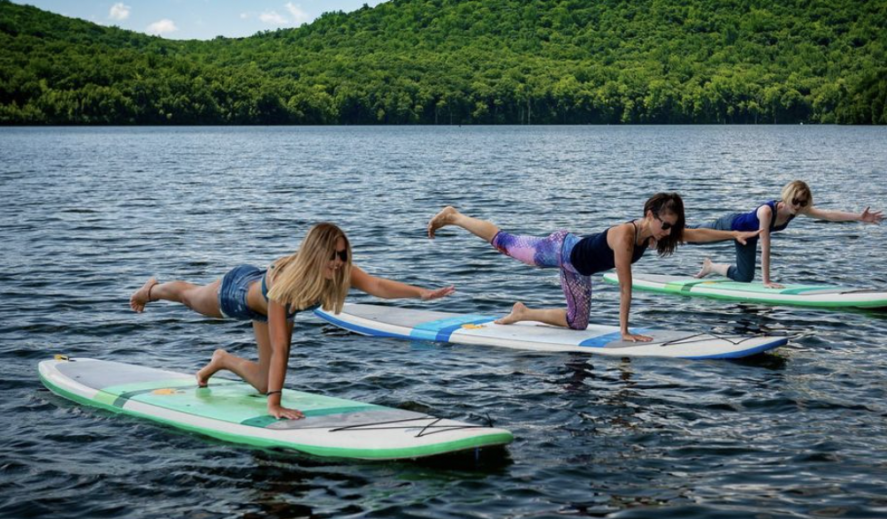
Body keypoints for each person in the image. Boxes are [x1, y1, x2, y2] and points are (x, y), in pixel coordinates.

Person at [129, 222, 454, 420]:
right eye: (334, 255)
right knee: (190, 298)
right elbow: (282, 345)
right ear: (316, 254)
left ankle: (221, 360)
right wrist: (275, 405)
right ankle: (151, 290)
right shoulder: (287, 287)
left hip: (268, 306)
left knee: (261, 382)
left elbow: (379, 286)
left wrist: (421, 294)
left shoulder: (338, 271)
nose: (340, 263)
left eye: (343, 255)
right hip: (237, 294)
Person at [427, 193, 757, 343]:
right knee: (506, 243)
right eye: (665, 225)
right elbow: (625, 287)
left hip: (578, 270)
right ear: (650, 215)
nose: (669, 232)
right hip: (560, 250)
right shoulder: (626, 236)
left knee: (577, 324)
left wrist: (733, 233)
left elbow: (696, 234)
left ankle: (522, 312)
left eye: (672, 227)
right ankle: (455, 216)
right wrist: (624, 332)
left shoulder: (655, 235)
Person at [693, 180, 885, 288]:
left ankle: (710, 267)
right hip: (730, 225)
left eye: (803, 203)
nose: (799, 206)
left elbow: (827, 214)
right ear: (787, 196)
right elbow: (766, 246)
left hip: (747, 238)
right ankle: (673, 230)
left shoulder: (798, 210)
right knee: (693, 238)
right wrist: (766, 281)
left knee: (744, 277)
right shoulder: (767, 212)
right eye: (796, 201)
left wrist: (859, 217)